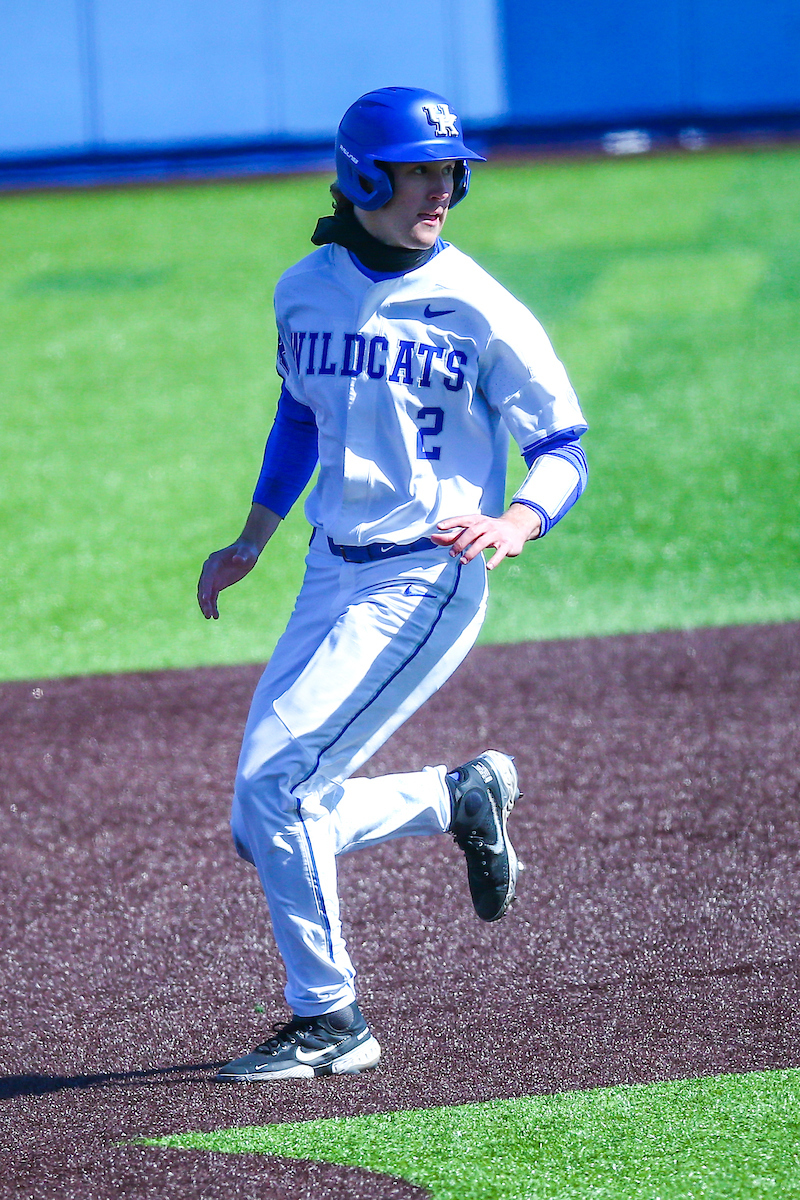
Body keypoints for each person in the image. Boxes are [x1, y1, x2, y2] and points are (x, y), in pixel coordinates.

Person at [197, 86, 588, 1082]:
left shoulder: (480, 306)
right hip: (329, 573)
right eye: (419, 170)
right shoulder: (304, 289)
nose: (440, 190)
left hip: (427, 578)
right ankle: (455, 797)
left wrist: (516, 518)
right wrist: (251, 536)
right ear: (365, 176)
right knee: (264, 820)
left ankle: (331, 1021)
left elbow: (561, 447)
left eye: (448, 171)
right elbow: (298, 415)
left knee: (276, 789)